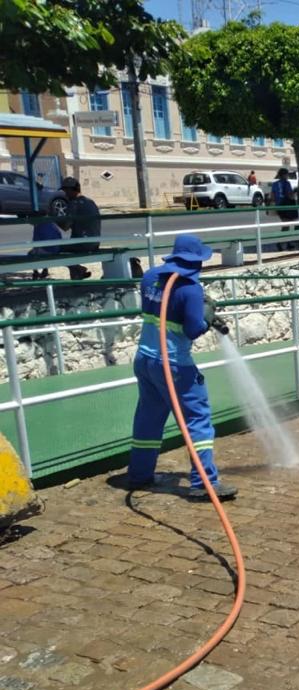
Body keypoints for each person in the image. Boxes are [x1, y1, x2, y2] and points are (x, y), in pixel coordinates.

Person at [126, 233, 237, 501]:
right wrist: (206, 317)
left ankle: (139, 474)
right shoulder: (189, 288)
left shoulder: (150, 276)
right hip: (175, 365)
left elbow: (161, 308)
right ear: (196, 261)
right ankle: (204, 483)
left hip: (145, 359)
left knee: (149, 419)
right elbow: (193, 328)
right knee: (197, 421)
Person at [57, 176, 100, 280]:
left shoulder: (74, 204)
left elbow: (65, 227)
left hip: (82, 244)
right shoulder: (91, 202)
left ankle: (77, 270)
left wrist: (53, 218)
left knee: (54, 249)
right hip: (95, 243)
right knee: (66, 246)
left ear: (72, 190)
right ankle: (77, 271)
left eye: (66, 191)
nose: (65, 194)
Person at [271, 168, 298, 251]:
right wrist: (295, 191)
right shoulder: (287, 183)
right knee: (286, 225)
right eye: (287, 174)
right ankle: (281, 242)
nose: (288, 176)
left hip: (279, 206)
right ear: (284, 175)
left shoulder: (275, 184)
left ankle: (286, 242)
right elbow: (290, 195)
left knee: (286, 225)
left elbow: (272, 195)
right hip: (286, 206)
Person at [29, 215, 62, 280]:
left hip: (49, 250)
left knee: (31, 254)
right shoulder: (51, 223)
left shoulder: (39, 226)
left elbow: (36, 242)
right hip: (57, 248)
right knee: (40, 250)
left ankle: (36, 272)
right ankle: (45, 270)